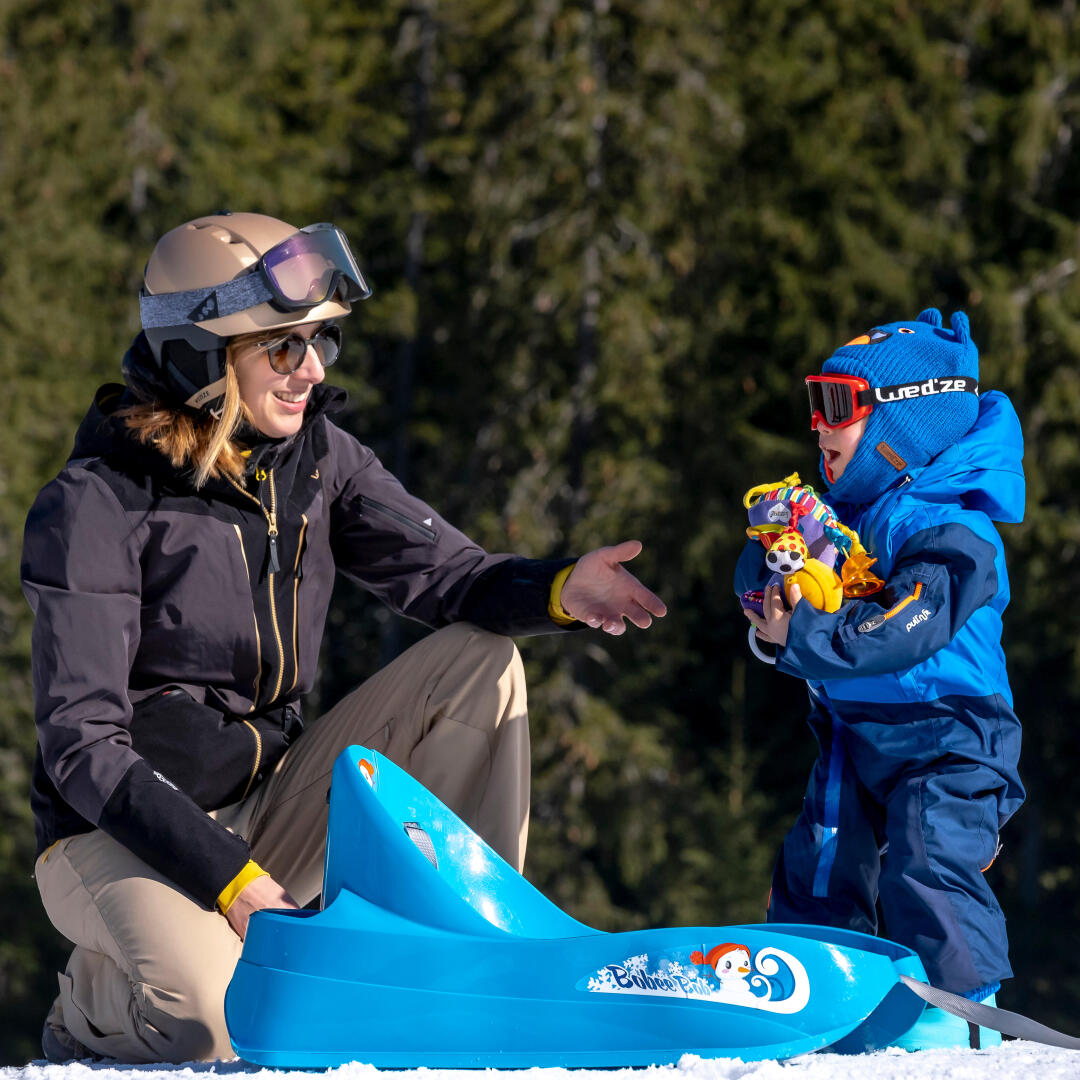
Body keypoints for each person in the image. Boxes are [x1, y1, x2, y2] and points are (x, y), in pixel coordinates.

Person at [22, 212, 667, 1064]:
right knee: (219, 1028)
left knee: (479, 662)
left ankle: (461, 956)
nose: (313, 370)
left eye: (319, 342)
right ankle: (93, 1006)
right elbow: (82, 747)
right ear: (201, 356)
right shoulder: (95, 504)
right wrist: (236, 882)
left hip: (271, 798)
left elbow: (452, 579)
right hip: (116, 836)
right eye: (284, 349)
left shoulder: (318, 459)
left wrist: (557, 588)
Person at [736, 308, 1025, 1051]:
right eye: (816, 401)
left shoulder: (950, 527)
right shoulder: (837, 520)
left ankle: (965, 1012)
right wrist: (776, 574)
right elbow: (778, 596)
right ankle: (806, 985)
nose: (819, 424)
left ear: (907, 423)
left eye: (838, 404)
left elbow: (911, 626)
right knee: (823, 852)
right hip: (857, 729)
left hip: (953, 735)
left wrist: (805, 633)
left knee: (929, 857)